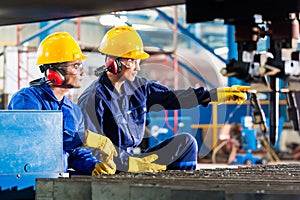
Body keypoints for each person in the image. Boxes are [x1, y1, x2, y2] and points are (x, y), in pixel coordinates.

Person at [77, 25, 249, 173]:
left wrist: (214, 95)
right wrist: (130, 164)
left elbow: (174, 98)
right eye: (135, 61)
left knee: (186, 143)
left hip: (134, 158)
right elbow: (92, 149)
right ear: (120, 63)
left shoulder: (140, 87)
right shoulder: (93, 98)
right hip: (112, 167)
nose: (138, 67)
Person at [8, 32, 117, 175]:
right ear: (54, 72)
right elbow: (39, 139)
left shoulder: (74, 110)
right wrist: (84, 137)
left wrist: (94, 166)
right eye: (76, 66)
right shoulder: (26, 99)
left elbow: (75, 153)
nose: (82, 72)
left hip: (54, 181)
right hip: (25, 179)